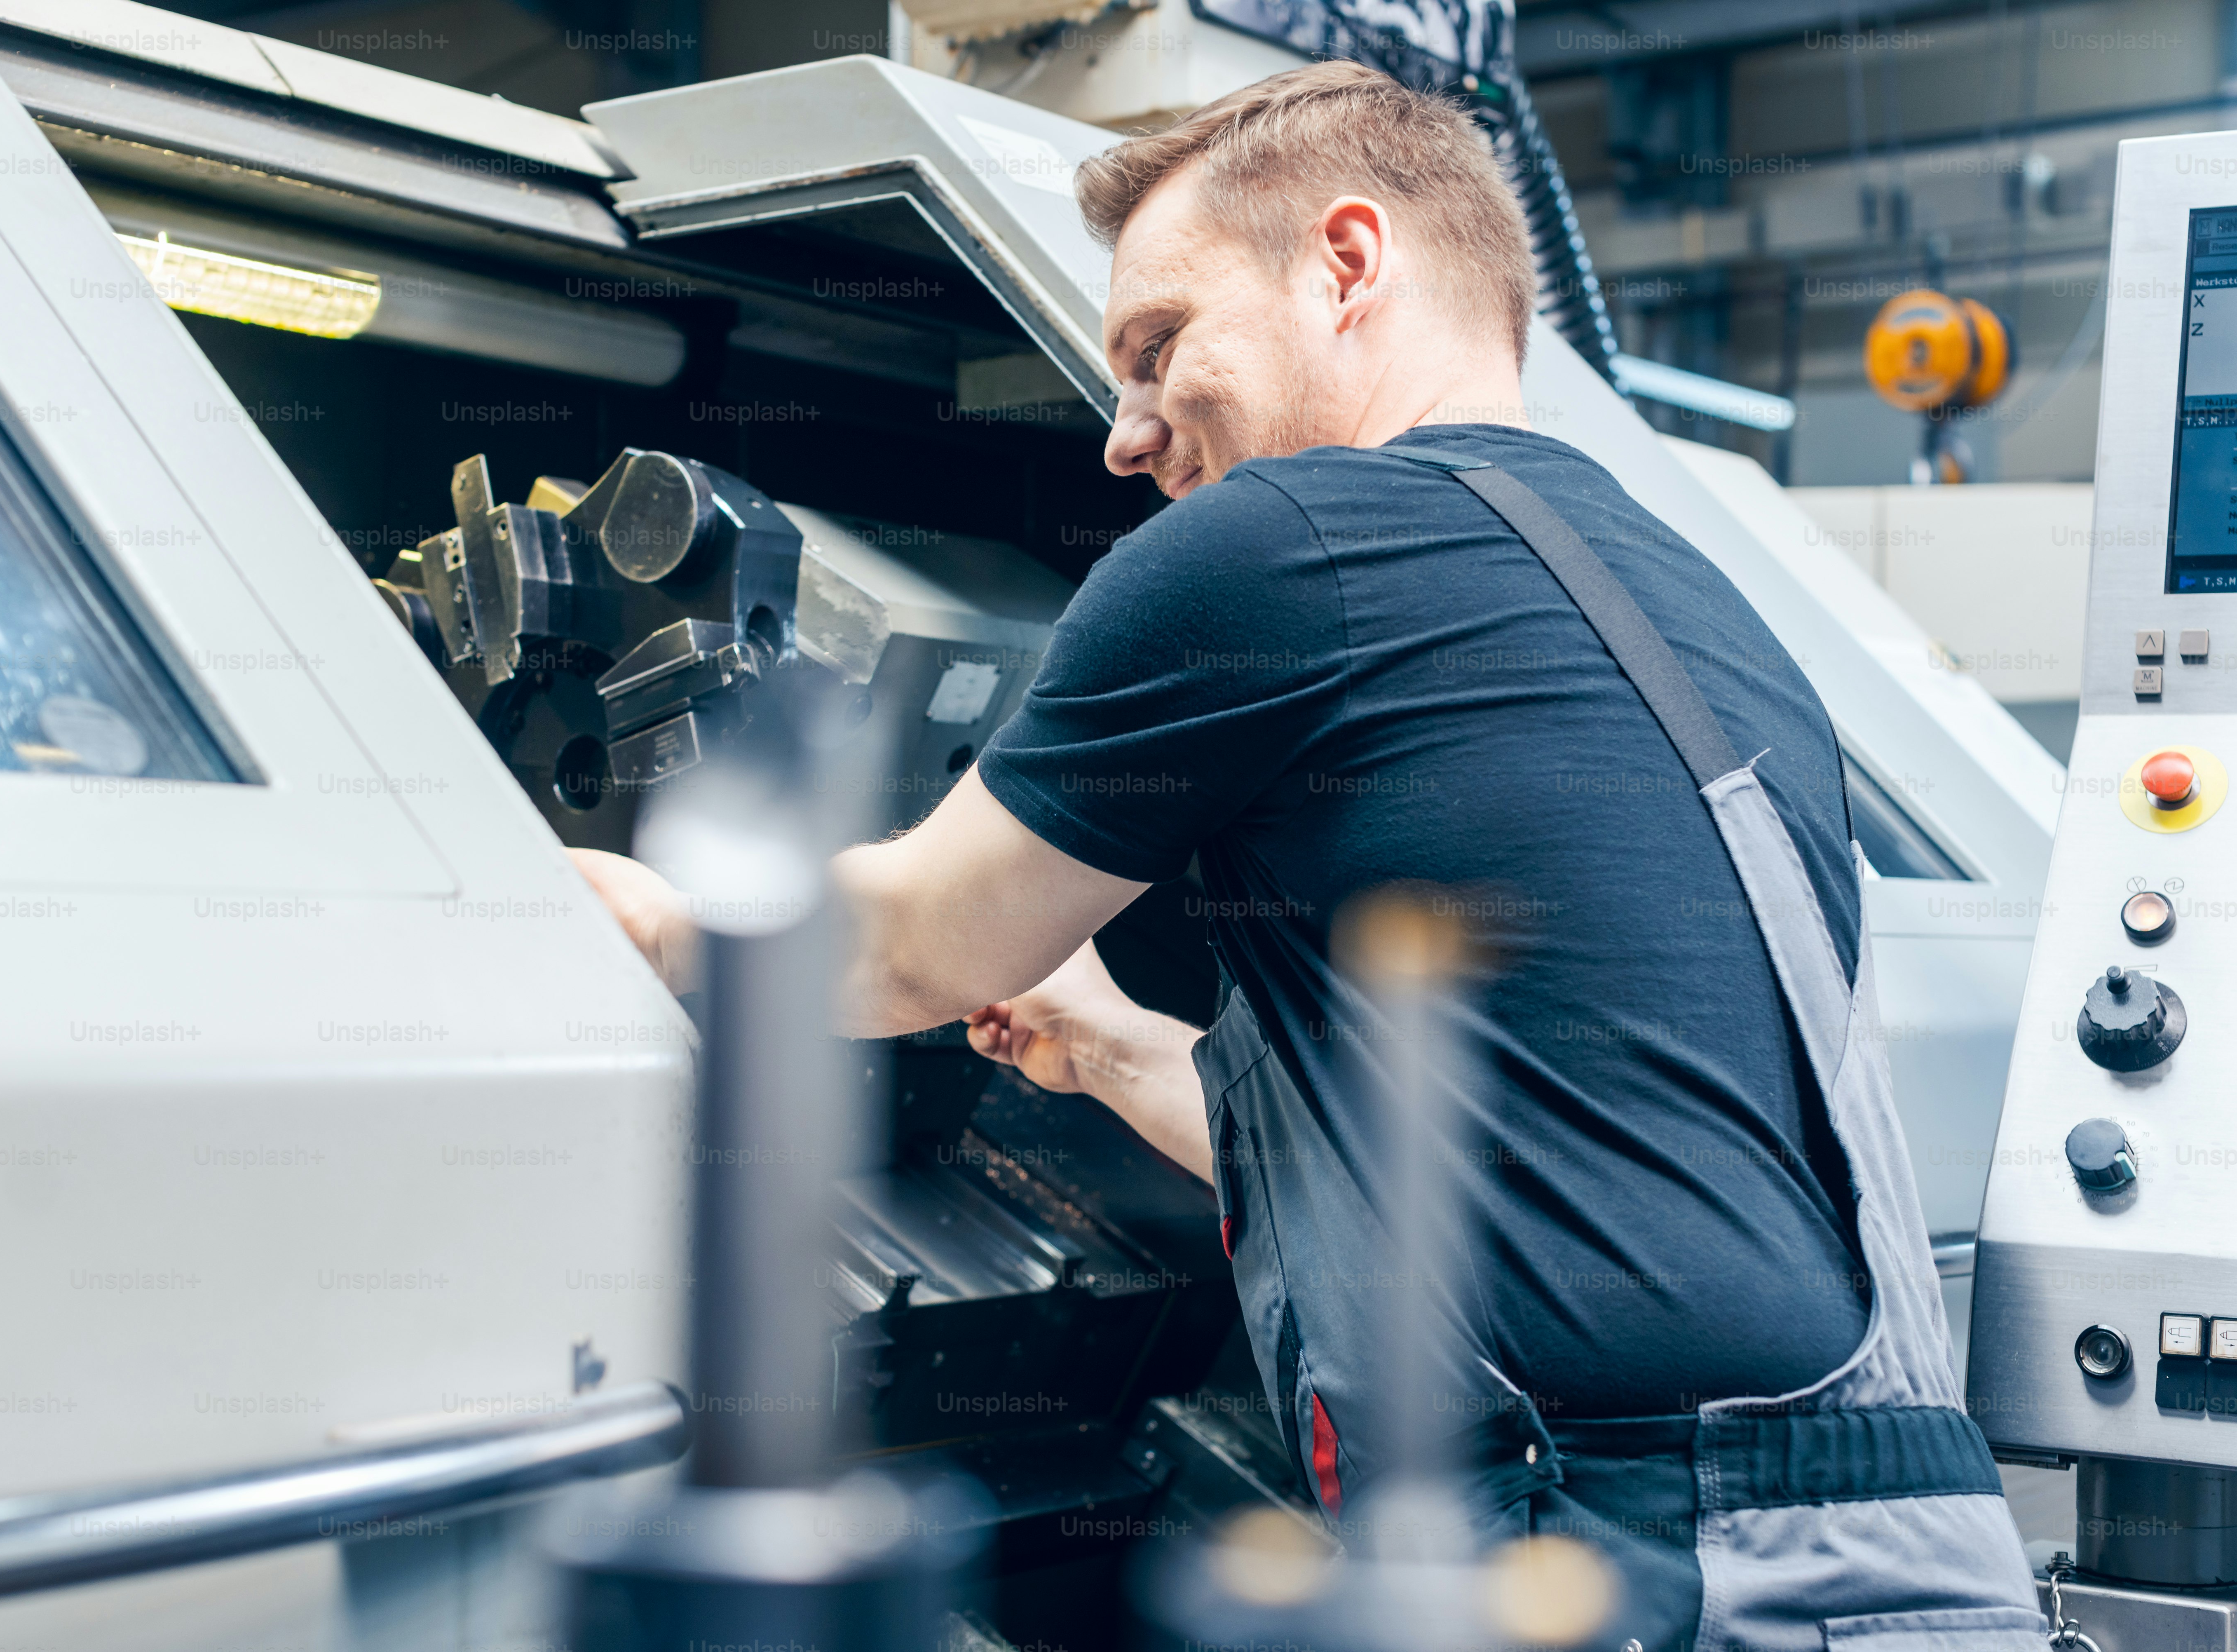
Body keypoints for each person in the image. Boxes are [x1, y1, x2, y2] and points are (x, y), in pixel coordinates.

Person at [577, 60, 2045, 1652]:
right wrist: (1126, 1051)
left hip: (1642, 1574)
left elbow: (901, 951)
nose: (1122, 440)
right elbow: (1555, 1144)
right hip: (1914, 1569)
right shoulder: (1694, 602)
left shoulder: (1282, 544)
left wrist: (632, 914)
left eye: (1156, 350)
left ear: (1347, 263)